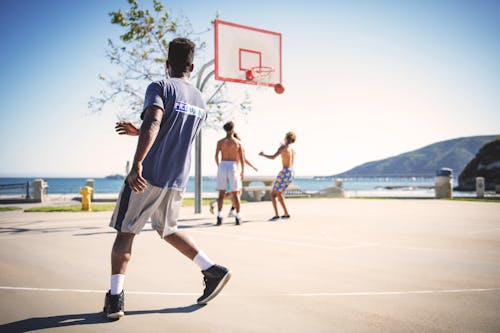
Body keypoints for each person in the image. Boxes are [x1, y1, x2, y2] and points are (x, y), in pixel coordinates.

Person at [104, 38, 231, 320]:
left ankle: (115, 299)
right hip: (177, 178)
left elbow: (156, 122)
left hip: (149, 175)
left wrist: (137, 162)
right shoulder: (200, 99)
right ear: (192, 65)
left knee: (126, 232)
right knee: (168, 230)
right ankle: (212, 270)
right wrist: (139, 131)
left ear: (167, 63)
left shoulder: (160, 86)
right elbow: (172, 130)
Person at [209, 132, 258, 217]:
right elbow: (244, 159)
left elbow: (243, 159)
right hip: (233, 173)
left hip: (231, 171)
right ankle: (219, 204)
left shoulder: (234, 146)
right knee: (235, 193)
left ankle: (227, 209)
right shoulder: (236, 147)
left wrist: (252, 167)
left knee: (235, 193)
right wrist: (249, 168)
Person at [259, 132, 297, 221]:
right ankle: (286, 213)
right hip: (291, 172)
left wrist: (263, 154)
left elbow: (273, 157)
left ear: (286, 139)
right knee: (279, 194)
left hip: (285, 172)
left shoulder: (282, 148)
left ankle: (276, 215)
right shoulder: (292, 150)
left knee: (273, 194)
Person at [214, 121, 245, 225]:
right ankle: (238, 216)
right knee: (236, 193)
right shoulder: (237, 143)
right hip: (233, 166)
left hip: (223, 164)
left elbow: (216, 156)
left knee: (221, 193)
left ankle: (219, 215)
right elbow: (242, 158)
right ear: (232, 129)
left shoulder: (220, 142)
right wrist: (242, 171)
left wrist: (219, 166)